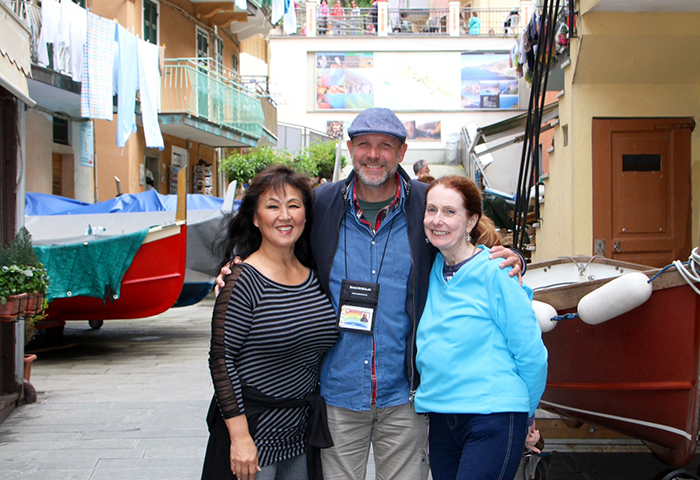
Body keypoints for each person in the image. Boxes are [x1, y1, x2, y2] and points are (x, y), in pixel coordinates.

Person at [217, 108, 526, 480]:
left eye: (385, 145)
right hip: (338, 394)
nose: (374, 154)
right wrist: (235, 265)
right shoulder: (322, 203)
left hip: (404, 397)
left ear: (402, 152)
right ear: (350, 148)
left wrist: (513, 258)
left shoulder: (427, 206)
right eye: (364, 144)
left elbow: (474, 237)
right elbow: (278, 230)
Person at [202, 166, 339, 480]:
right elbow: (222, 360)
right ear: (255, 217)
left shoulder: (316, 275)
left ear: (306, 214)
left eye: (293, 205)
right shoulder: (243, 279)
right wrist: (239, 437)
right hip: (254, 432)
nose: (285, 215)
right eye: (272, 206)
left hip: (300, 432)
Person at [415, 175, 548, 480]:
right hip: (442, 416)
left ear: (472, 219)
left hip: (493, 416)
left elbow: (531, 354)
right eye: (431, 210)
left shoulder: (496, 271)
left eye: (450, 212)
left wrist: (527, 414)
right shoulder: (432, 267)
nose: (438, 220)